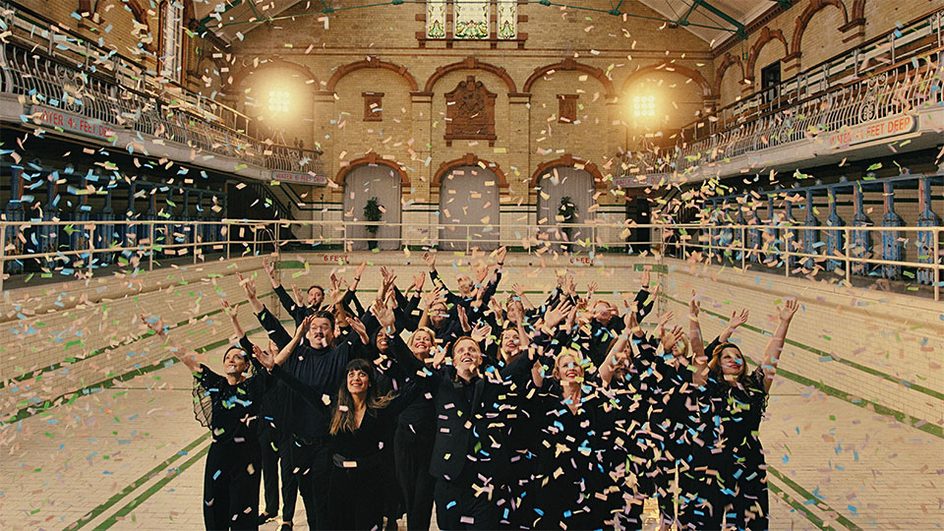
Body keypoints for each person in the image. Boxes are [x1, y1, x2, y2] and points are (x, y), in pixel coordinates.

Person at [255, 303, 422, 530]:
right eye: (351, 374)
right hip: (339, 483)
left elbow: (418, 382)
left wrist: (391, 333)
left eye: (362, 374)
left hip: (370, 482)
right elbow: (303, 390)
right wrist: (274, 368)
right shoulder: (335, 408)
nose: (356, 378)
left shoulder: (381, 409)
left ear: (370, 381)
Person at [239, 272, 372, 530]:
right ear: (306, 333)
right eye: (314, 328)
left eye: (325, 327)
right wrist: (253, 299)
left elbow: (364, 339)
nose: (319, 331)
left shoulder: (340, 354)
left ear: (333, 332)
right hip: (297, 442)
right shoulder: (296, 354)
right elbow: (273, 327)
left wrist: (373, 304)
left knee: (324, 498)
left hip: (327, 442)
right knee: (307, 496)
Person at [141, 311, 270, 531]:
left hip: (247, 455)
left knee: (244, 508)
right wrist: (163, 333)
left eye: (238, 357)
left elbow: (271, 366)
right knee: (215, 506)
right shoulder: (216, 384)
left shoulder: (254, 386)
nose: (231, 359)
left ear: (246, 365)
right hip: (219, 454)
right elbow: (187, 359)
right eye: (228, 357)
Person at [694, 299, 800, 530]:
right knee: (708, 521)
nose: (734, 360)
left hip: (750, 460)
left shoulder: (754, 386)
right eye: (727, 357)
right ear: (718, 364)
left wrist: (784, 323)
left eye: (738, 356)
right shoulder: (709, 387)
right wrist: (694, 319)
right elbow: (698, 354)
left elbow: (772, 357)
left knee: (752, 521)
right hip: (715, 460)